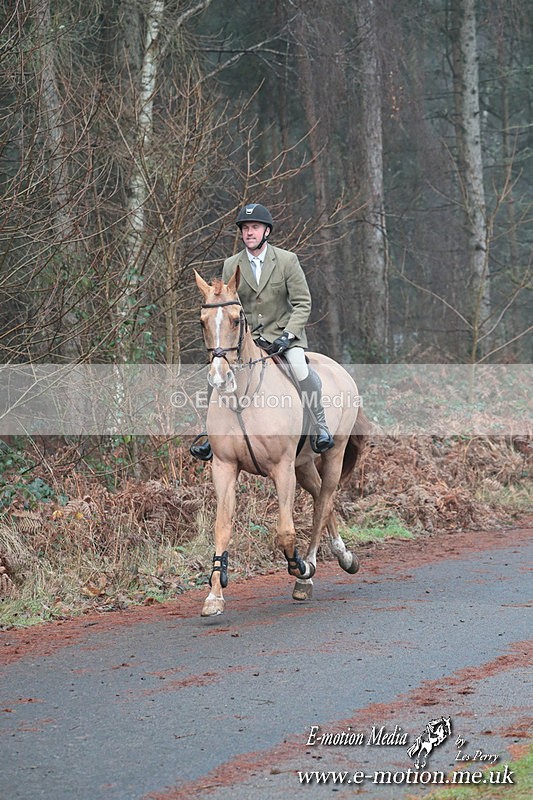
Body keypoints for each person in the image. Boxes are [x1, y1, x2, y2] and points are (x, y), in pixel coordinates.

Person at [190, 203, 334, 461]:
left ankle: (320, 427)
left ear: (266, 231)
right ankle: (210, 436)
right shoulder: (231, 264)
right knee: (216, 372)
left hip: (283, 337)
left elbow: (303, 303)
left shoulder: (287, 261)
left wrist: (288, 334)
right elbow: (227, 305)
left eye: (254, 228)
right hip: (245, 340)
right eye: (245, 228)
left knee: (301, 369)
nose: (249, 233)